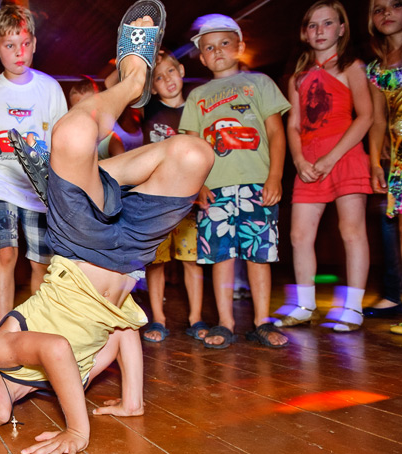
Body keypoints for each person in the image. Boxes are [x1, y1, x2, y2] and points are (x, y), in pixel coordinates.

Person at [0, 2, 213, 454]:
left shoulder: (0, 349)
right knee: (195, 155)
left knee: (74, 132)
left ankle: (131, 80)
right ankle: (81, 176)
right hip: (129, 255)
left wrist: (77, 429)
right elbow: (120, 330)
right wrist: (133, 401)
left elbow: (55, 346)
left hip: (79, 247)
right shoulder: (69, 380)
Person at [179, 14, 291, 349]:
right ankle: (225, 322)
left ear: (240, 47)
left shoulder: (259, 83)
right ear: (201, 57)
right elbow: (192, 146)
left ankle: (261, 321)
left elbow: (275, 132)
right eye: (209, 48)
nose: (217, 51)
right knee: (221, 256)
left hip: (257, 185)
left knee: (259, 255)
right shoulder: (197, 94)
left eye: (225, 43)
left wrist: (275, 176)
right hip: (215, 191)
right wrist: (196, 185)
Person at [272, 1, 373, 332]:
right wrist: (299, 159)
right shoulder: (299, 77)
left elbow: (366, 116)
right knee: (299, 234)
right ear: (304, 32)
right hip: (310, 162)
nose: (319, 31)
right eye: (313, 25)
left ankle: (354, 308)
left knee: (351, 230)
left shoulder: (352, 67)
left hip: (345, 156)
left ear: (341, 28)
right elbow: (294, 126)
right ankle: (304, 305)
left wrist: (332, 158)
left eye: (327, 24)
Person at [0, 4, 67, 322]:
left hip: (40, 191)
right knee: (4, 254)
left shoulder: (50, 88)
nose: (19, 52)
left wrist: (64, 190)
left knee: (41, 262)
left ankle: (36, 328)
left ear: (34, 44)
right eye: (10, 45)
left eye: (25, 44)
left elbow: (63, 142)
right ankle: (2, 330)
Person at [141, 52, 207, 343]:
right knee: (156, 262)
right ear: (151, 86)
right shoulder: (149, 108)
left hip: (189, 201)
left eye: (171, 71)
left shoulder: (197, 109)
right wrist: (145, 54)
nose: (167, 79)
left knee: (191, 261)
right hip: (155, 198)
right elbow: (110, 81)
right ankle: (158, 319)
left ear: (181, 70)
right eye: (159, 76)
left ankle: (196, 318)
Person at [367, 0, 402, 334]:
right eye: (378, 9)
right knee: (393, 223)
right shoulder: (376, 68)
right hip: (397, 157)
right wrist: (375, 159)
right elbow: (377, 119)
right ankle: (395, 295)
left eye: (396, 5)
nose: (387, 13)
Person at [68, 77, 125, 159]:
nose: (84, 114)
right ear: (70, 110)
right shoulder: (70, 137)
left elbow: (122, 168)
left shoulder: (110, 140)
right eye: (77, 109)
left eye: (88, 108)